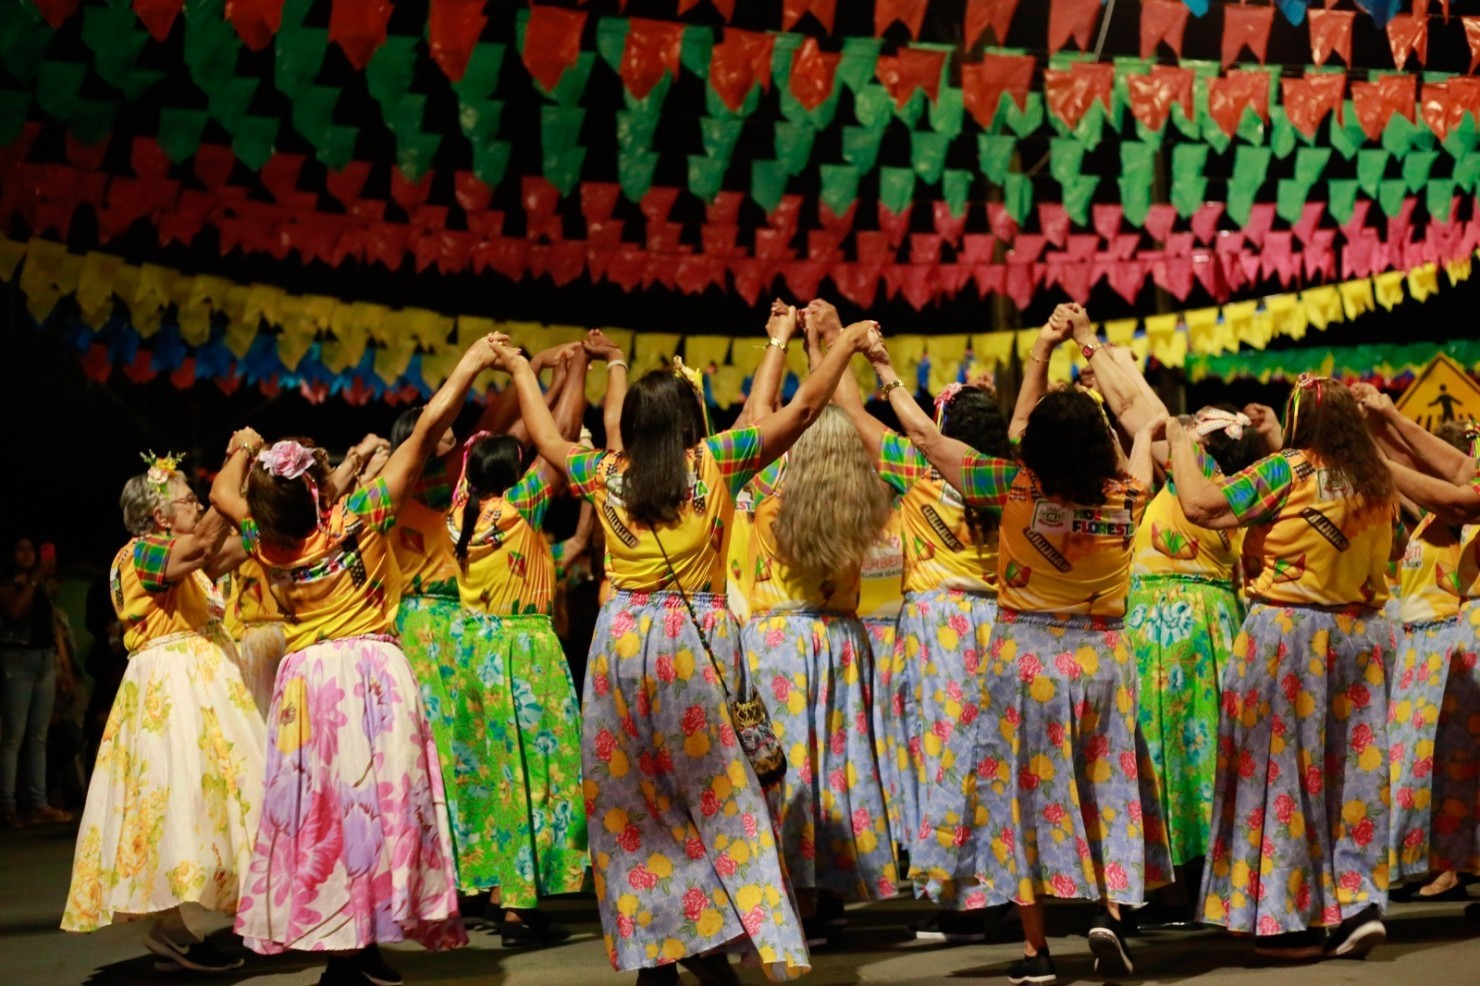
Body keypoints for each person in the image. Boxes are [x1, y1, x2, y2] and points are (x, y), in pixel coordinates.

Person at [486, 318, 881, 984]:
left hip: (620, 646)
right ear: (687, 422)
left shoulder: (605, 473)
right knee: (719, 797)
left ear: (634, 426)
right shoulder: (714, 461)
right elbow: (803, 410)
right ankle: (712, 943)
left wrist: (523, 370)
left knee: (632, 807)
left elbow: (549, 440)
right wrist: (842, 344)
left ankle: (658, 950)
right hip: (695, 645)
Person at [866, 308, 1173, 985]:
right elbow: (1139, 442)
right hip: (1102, 662)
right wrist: (1105, 378)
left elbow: (924, 437)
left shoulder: (1009, 487)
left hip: (1024, 663)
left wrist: (884, 371)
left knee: (1019, 800)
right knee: (1103, 787)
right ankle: (1109, 914)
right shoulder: (1130, 496)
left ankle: (1037, 953)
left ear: (1035, 446)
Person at [212, 337, 506, 985]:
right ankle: (358, 946)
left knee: (324, 814)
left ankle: (350, 946)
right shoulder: (360, 516)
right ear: (319, 489)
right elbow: (426, 430)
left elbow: (223, 491)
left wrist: (241, 448)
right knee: (375, 808)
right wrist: (471, 362)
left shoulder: (267, 540)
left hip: (308, 683)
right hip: (370, 677)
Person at [1164, 374, 1397, 961]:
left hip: (1290, 635)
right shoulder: (1374, 477)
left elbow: (1202, 506)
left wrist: (1182, 441)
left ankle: (1289, 920)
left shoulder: (1288, 467)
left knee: (1282, 776)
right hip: (1362, 639)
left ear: (1297, 422)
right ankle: (1356, 905)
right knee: (1351, 778)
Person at [817, 299, 1014, 943]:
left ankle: (962, 899)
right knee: (992, 759)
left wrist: (841, 345)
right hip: (998, 625)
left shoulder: (921, 470)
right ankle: (997, 891)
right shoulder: (1010, 479)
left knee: (944, 758)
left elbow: (850, 412)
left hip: (940, 630)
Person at [62, 456, 265, 976]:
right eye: (188, 501)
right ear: (159, 516)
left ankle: (180, 931)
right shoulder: (144, 552)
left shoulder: (177, 562)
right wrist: (233, 472)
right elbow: (204, 544)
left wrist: (264, 500)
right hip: (173, 692)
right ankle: (175, 931)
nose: (196, 506)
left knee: (208, 800)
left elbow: (242, 543)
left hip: (196, 688)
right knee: (180, 802)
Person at [740, 402, 897, 941]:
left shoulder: (768, 497)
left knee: (787, 772)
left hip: (779, 643)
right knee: (836, 767)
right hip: (841, 641)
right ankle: (831, 891)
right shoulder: (867, 503)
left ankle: (796, 900)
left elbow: (750, 424)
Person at [447, 428, 589, 945]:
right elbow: (558, 440)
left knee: (496, 774)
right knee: (533, 775)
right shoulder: (514, 510)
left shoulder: (459, 513)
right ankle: (518, 911)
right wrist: (572, 384)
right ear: (511, 475)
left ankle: (498, 893)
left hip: (476, 653)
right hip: (522, 652)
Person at [1124, 404, 1264, 920]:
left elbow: (1136, 472)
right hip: (1206, 624)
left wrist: (1155, 430)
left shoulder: (1199, 474)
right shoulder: (1238, 487)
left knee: (1165, 754)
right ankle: (1205, 883)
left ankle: (1175, 887)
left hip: (1171, 625)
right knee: (1199, 754)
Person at [1359, 392, 1480, 916]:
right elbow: (1458, 471)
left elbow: (1459, 498)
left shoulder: (1450, 511)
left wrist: (1376, 457)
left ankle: (1446, 867)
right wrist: (1385, 419)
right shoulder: (1457, 481)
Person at [1, 536, 77, 828]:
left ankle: (38, 802)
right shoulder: (9, 583)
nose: (27, 554)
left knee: (38, 736)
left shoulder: (43, 584)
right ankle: (7, 806)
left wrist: (64, 667)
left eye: (30, 549)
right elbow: (15, 611)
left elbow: (52, 625)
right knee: (13, 736)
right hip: (17, 660)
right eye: (20, 549)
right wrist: (35, 578)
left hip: (44, 659)